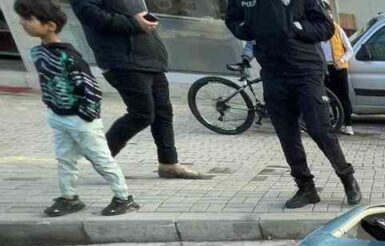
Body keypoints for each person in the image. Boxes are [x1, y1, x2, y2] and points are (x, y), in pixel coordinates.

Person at [225, 0, 362, 209]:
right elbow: (233, 19)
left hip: (306, 69)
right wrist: (248, 29)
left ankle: (347, 178)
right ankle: (306, 187)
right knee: (286, 133)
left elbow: (325, 27)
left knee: (320, 129)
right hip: (273, 72)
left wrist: (296, 27)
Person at [15, 0, 138, 216]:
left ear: (50, 26)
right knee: (65, 159)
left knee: (101, 160)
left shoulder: (68, 56)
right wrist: (52, 107)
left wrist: (85, 116)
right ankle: (69, 197)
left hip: (81, 119)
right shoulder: (38, 53)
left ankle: (123, 197)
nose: (22, 22)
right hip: (58, 116)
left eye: (28, 18)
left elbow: (91, 88)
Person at [68, 0, 205, 179]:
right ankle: (100, 155)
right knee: (142, 113)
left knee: (163, 112)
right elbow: (91, 16)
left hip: (150, 57)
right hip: (122, 60)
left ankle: (169, 164)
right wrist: (133, 23)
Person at [320, 1, 354, 136]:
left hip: (338, 68)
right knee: (329, 97)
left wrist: (342, 60)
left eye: (329, 15)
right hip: (325, 68)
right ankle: (335, 122)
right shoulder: (318, 31)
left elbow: (350, 50)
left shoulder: (338, 30)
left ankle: (348, 124)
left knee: (343, 96)